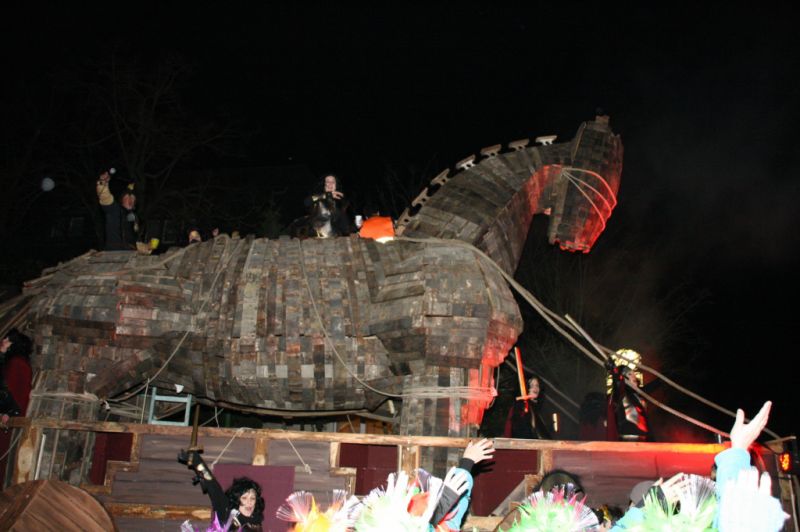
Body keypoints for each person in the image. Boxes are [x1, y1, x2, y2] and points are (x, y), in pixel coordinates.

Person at [178, 449, 265, 531]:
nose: (249, 502)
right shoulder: (227, 514)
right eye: (244, 498)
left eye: (252, 498)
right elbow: (213, 486)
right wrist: (196, 460)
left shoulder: (256, 523)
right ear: (236, 500)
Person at [96, 170, 140, 250]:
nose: (130, 201)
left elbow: (132, 241)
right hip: (113, 255)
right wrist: (102, 183)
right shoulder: (114, 210)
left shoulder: (133, 218)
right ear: (121, 201)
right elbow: (106, 198)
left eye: (133, 199)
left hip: (129, 256)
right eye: (127, 198)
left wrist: (145, 247)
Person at [0, 328, 33, 425]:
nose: (4, 341)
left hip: (6, 415)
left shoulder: (16, 363)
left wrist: (9, 412)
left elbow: (11, 389)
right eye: (5, 338)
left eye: (9, 341)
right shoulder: (9, 361)